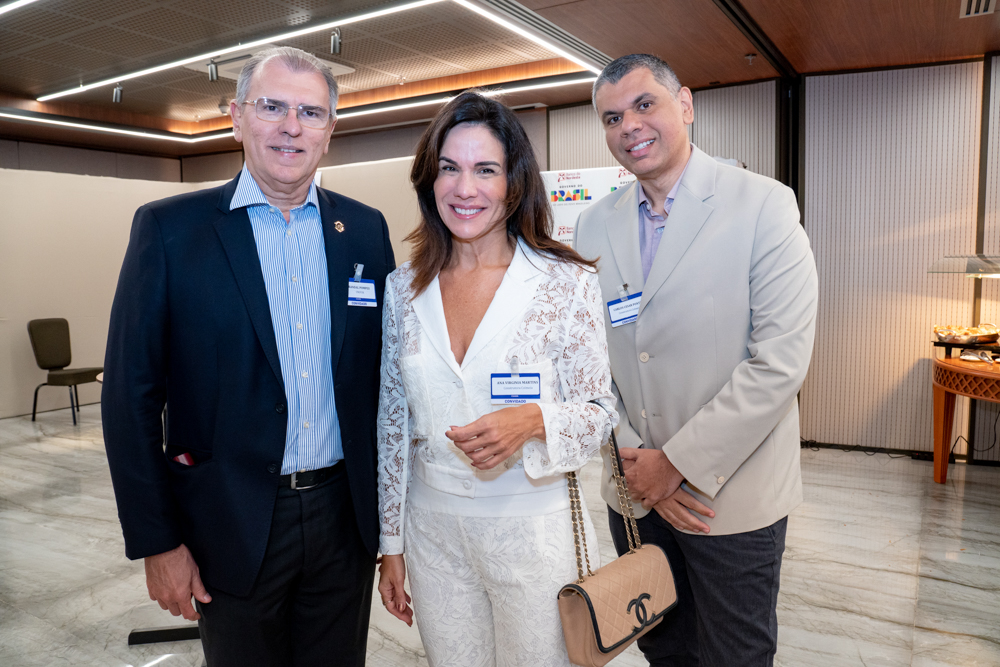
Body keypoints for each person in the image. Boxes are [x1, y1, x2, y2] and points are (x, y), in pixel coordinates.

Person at [102, 46, 395, 666]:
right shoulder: (170, 230)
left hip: (345, 520)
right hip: (226, 526)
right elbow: (129, 398)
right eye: (272, 107)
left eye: (311, 112)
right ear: (236, 117)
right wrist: (158, 541)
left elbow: (387, 381)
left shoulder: (365, 231)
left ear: (330, 130)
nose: (292, 126)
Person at [574, 54, 818, 666]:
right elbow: (586, 360)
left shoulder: (763, 204)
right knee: (665, 646)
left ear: (685, 104)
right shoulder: (593, 225)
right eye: (611, 117)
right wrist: (638, 464)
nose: (628, 126)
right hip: (634, 493)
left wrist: (675, 464)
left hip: (728, 499)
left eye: (644, 105)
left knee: (735, 652)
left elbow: (779, 362)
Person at [375, 91, 617, 667]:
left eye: (486, 170)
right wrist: (392, 546)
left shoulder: (564, 282)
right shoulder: (403, 290)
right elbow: (391, 419)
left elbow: (599, 410)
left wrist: (534, 420)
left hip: (534, 532)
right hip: (432, 534)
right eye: (450, 169)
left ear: (514, 181)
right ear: (429, 182)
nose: (466, 188)